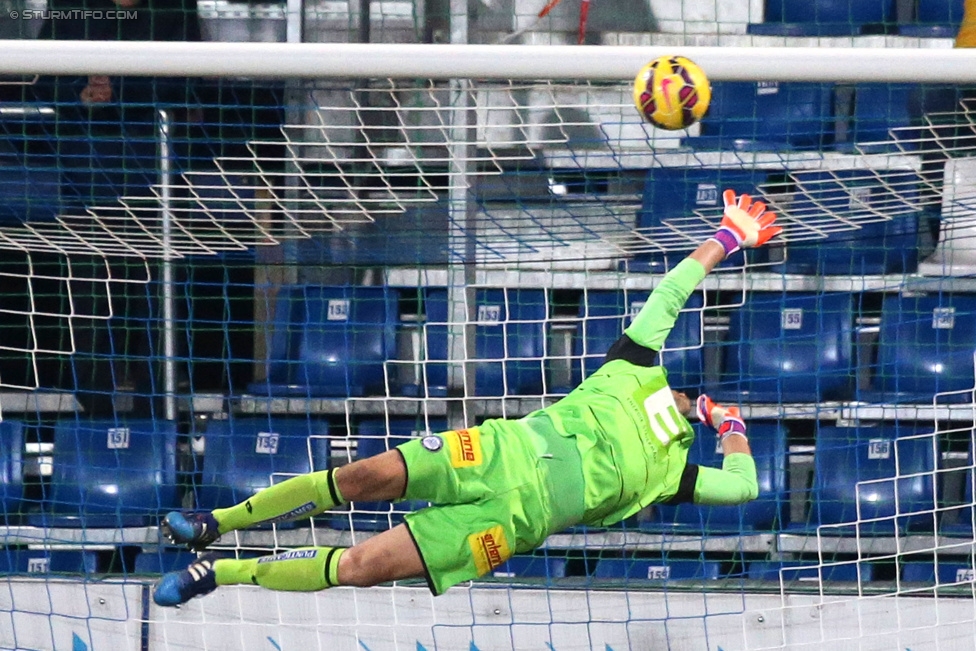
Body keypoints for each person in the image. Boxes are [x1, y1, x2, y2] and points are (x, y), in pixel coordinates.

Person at [152, 189, 782, 606]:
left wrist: (730, 426)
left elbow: (744, 488)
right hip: (495, 452)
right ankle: (220, 523)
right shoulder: (634, 367)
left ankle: (224, 572)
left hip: (506, 525)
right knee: (363, 474)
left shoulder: (673, 473)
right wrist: (728, 237)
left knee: (362, 566)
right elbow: (672, 289)